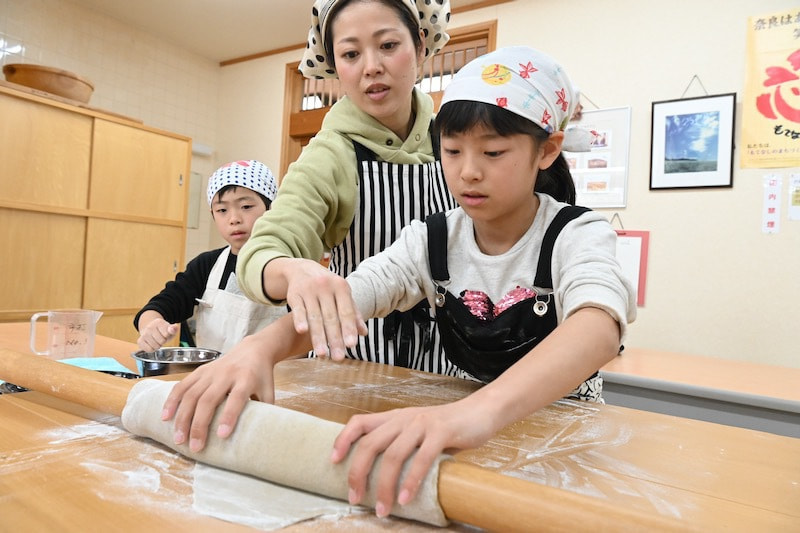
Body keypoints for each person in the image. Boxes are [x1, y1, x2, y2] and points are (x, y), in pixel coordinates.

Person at [162, 46, 636, 518]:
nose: (468, 171)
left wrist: (477, 414)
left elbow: (598, 327)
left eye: (493, 152)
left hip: (561, 440)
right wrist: (259, 349)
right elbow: (348, 297)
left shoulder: (576, 233)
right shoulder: (432, 240)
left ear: (547, 151)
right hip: (459, 442)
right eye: (451, 152)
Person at [235, 0, 459, 372]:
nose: (372, 67)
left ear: (420, 45)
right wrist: (292, 271)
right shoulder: (330, 154)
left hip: (452, 363)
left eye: (388, 45)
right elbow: (263, 250)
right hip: (355, 362)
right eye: (351, 53)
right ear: (335, 65)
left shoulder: (451, 139)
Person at [134, 160, 286, 354]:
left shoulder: (287, 265)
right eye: (222, 210)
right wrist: (151, 324)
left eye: (246, 206)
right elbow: (164, 303)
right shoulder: (206, 265)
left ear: (271, 208)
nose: (234, 219)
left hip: (275, 380)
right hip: (213, 377)